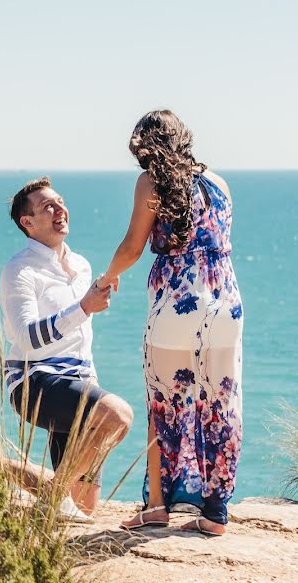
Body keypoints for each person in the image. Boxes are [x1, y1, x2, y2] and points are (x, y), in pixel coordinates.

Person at [98, 110, 243, 536]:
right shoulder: (219, 182)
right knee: (221, 402)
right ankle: (215, 515)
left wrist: (108, 277)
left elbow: (133, 245)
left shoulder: (151, 183)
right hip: (224, 302)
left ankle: (158, 505)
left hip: (177, 302)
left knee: (164, 402)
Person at [0, 176, 134, 522]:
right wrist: (84, 307)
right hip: (35, 382)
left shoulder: (82, 266)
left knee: (84, 510)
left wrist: (95, 292)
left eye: (60, 202)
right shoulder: (20, 270)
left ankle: (3, 466)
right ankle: (55, 494)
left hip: (78, 384)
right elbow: (26, 336)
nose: (60, 210)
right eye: (48, 207)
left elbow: (79, 339)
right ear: (27, 223)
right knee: (118, 416)